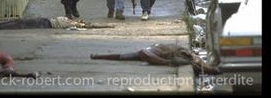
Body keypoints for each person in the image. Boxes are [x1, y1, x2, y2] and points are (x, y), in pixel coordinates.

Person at [90, 43, 221, 75]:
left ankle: (219, 70)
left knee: (198, 63)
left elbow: (198, 61)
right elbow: (143, 53)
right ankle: (97, 56)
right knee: (125, 56)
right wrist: (167, 63)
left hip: (167, 55)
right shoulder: (158, 50)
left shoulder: (185, 53)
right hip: (154, 54)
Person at [0, 17, 115, 29]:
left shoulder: (73, 25)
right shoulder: (70, 20)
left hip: (45, 24)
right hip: (44, 20)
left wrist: (108, 25)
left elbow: (92, 26)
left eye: (84, 22)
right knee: (19, 21)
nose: (82, 21)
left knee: (20, 24)